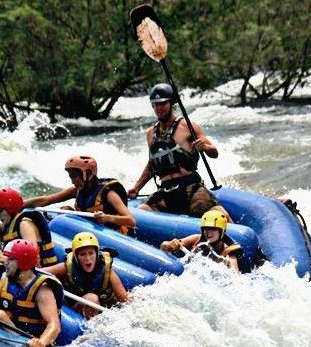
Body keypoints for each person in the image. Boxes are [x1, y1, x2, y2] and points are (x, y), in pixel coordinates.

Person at [127, 83, 230, 219]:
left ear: (172, 103)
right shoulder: (151, 133)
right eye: (155, 104)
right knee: (140, 214)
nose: (159, 108)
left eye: (163, 104)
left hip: (190, 187)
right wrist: (137, 188)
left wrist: (205, 147)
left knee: (221, 217)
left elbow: (214, 153)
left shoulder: (188, 126)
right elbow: (152, 164)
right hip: (165, 190)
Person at [0, 239, 63, 347]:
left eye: (11, 259)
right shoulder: (8, 280)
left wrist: (41, 342)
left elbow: (54, 325)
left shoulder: (42, 289)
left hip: (27, 342)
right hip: (12, 331)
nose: (5, 262)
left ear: (23, 263)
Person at [24, 155, 136, 234]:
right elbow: (46, 200)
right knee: (65, 209)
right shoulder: (76, 190)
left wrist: (107, 218)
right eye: (70, 176)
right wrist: (20, 204)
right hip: (87, 230)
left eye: (74, 176)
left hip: (111, 233)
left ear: (87, 174)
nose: (72, 181)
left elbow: (131, 221)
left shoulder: (109, 193)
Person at [44, 231, 129, 319]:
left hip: (103, 312)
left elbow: (125, 300)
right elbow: (39, 273)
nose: (88, 259)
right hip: (75, 310)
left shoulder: (109, 273)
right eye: (82, 254)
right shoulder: (67, 267)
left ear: (97, 253)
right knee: (92, 298)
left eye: (91, 253)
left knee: (93, 299)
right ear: (76, 257)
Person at [160, 210, 241, 273]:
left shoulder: (228, 253)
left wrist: (228, 268)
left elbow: (235, 275)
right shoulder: (196, 239)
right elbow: (163, 246)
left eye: (213, 229)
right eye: (206, 229)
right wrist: (170, 244)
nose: (208, 233)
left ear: (222, 231)